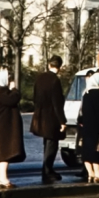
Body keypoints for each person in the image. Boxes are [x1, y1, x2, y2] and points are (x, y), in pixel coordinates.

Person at [30, 56, 67, 184]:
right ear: (59, 67)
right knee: (52, 145)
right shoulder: (55, 80)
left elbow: (34, 97)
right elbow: (57, 103)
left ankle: (47, 170)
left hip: (40, 115)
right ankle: (47, 170)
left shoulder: (40, 78)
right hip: (52, 117)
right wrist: (62, 121)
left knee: (46, 143)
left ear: (49, 65)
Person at [0, 69, 24, 189]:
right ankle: (3, 179)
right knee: (5, 153)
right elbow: (14, 98)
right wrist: (14, 88)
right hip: (4, 127)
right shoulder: (0, 91)